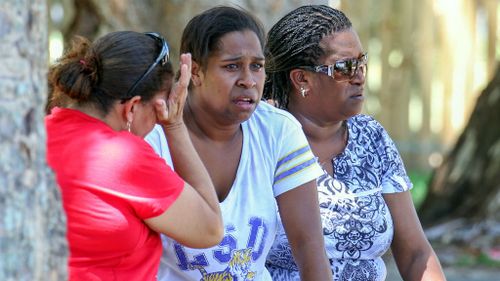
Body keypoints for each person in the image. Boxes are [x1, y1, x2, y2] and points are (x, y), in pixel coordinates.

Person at [145, 6, 332, 281]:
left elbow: (308, 244)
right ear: (195, 72)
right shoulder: (153, 137)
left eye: (256, 66)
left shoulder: (277, 130)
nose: (248, 81)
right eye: (232, 66)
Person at [263, 5, 447, 281]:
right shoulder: (262, 139)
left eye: (362, 62)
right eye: (345, 67)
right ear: (302, 79)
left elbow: (415, 253)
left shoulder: (371, 137)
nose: (359, 75)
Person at [45, 31, 223, 280]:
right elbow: (210, 229)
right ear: (131, 108)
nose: (160, 119)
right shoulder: (125, 156)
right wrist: (175, 126)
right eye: (160, 109)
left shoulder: (34, 135)